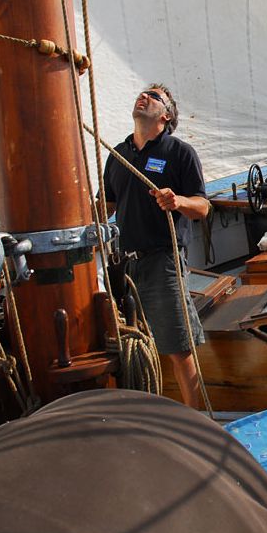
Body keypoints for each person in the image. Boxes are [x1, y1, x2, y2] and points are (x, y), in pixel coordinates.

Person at [102, 83, 210, 408]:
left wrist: (177, 201)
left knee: (178, 348)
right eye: (142, 92)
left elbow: (203, 207)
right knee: (132, 348)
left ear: (165, 115)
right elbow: (104, 207)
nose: (144, 96)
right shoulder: (118, 155)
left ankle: (197, 426)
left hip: (162, 261)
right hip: (125, 266)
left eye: (154, 96)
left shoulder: (178, 153)